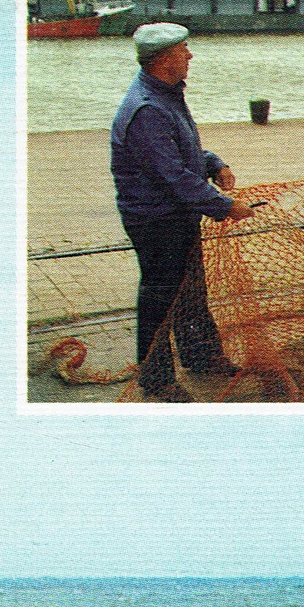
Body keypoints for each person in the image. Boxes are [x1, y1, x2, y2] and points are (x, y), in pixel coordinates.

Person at [110, 22, 255, 401]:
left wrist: (214, 164)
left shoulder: (166, 95)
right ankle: (155, 379)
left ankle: (201, 356)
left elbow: (182, 153)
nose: (190, 55)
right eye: (183, 50)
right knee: (160, 296)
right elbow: (172, 175)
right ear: (163, 59)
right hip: (154, 218)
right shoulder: (147, 109)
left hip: (176, 213)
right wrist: (225, 207)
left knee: (191, 290)